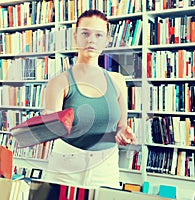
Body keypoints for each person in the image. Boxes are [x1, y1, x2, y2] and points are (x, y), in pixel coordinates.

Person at [42, 9, 135, 188]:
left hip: (105, 168)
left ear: (107, 40)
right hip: (66, 167)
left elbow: (121, 126)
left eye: (99, 35)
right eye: (85, 33)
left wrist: (125, 134)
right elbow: (51, 131)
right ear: (75, 36)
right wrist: (47, 123)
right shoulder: (59, 82)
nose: (91, 40)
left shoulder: (117, 81)